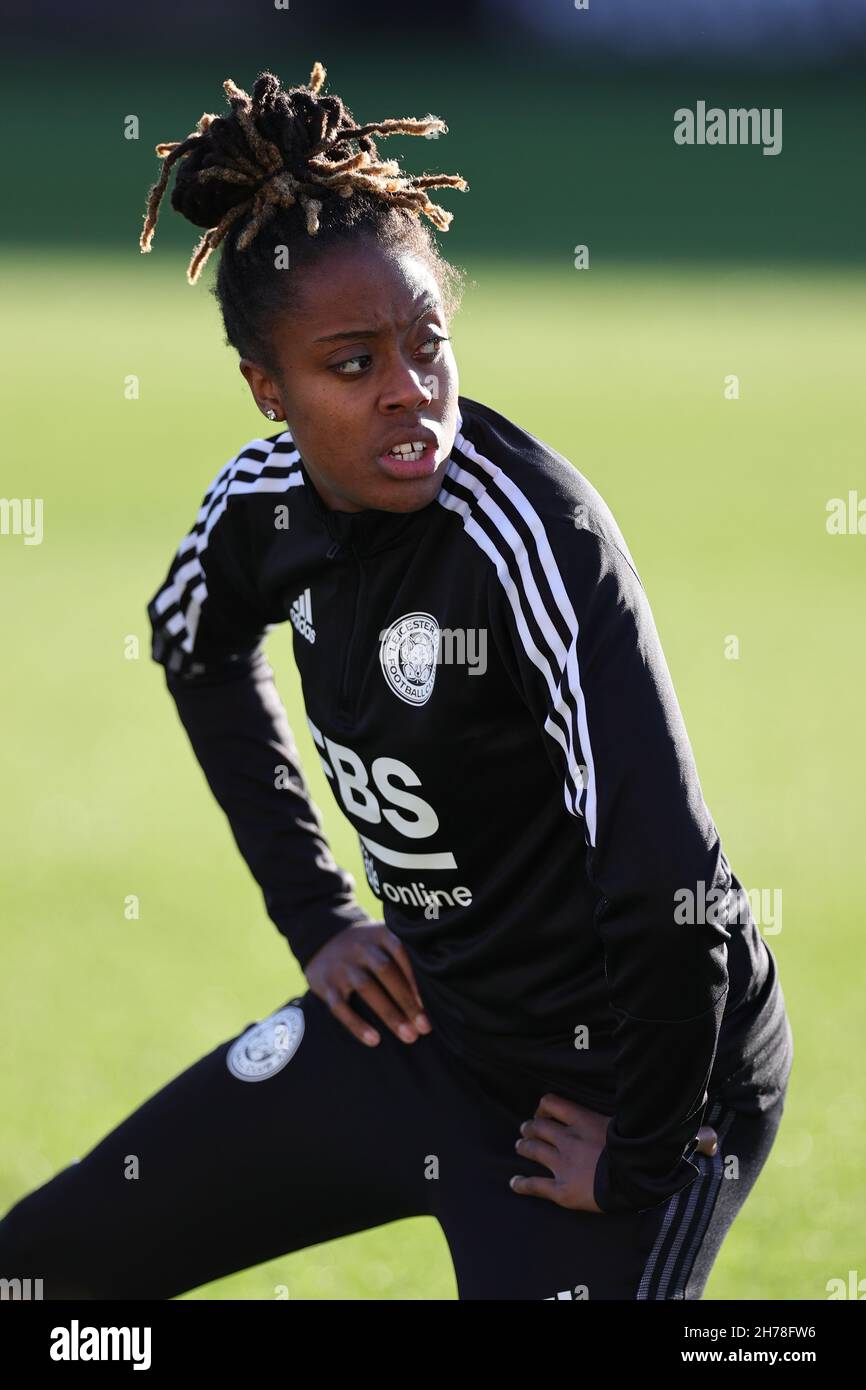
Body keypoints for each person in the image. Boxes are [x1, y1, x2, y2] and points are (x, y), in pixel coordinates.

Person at [0, 63, 793, 1301]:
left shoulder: (529, 536)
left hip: (626, 1084)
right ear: (270, 393)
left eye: (427, 347)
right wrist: (317, 917)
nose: (409, 393)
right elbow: (196, 648)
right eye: (352, 363)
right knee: (40, 1271)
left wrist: (646, 1152)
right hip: (424, 1034)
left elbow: (668, 883)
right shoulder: (259, 508)